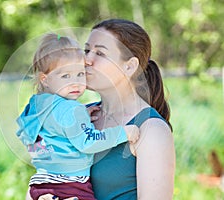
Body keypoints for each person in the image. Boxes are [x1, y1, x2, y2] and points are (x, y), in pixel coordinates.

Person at [37, 19, 175, 200]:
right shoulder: (78, 116)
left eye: (100, 53)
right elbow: (43, 181)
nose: (86, 60)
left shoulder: (151, 130)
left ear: (130, 66)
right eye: (87, 50)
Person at [16, 33, 140, 200]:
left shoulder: (35, 105)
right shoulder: (71, 110)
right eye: (65, 76)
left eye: (80, 74)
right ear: (45, 79)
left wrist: (75, 120)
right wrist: (124, 133)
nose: (75, 82)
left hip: (42, 181)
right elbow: (88, 142)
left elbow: (30, 136)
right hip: (71, 186)